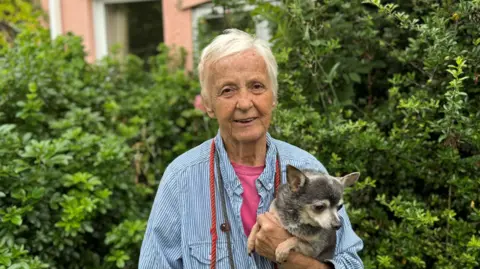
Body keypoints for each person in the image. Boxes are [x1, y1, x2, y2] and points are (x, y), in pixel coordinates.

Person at [138, 29, 364, 269]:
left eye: (257, 86)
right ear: (208, 104)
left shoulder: (310, 172)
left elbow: (350, 263)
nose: (245, 103)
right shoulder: (182, 178)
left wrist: (292, 258)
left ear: (273, 96)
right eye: (228, 90)